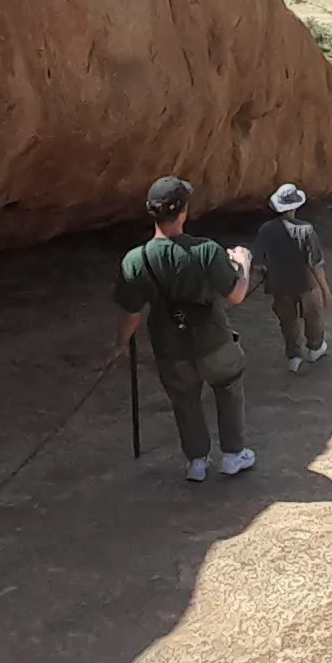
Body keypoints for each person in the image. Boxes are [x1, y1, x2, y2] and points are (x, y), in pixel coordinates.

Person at [116, 176, 256, 482]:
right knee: (228, 388)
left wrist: (122, 343)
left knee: (185, 401)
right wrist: (243, 264)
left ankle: (196, 461)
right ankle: (233, 455)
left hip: (170, 348)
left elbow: (133, 313)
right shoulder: (207, 250)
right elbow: (236, 295)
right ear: (183, 211)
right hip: (214, 341)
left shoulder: (135, 260)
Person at [254, 183, 332, 373]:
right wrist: (326, 291)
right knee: (313, 317)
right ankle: (314, 348)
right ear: (295, 206)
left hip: (279, 284)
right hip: (307, 284)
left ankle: (294, 356)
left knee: (288, 321)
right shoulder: (306, 229)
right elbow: (316, 264)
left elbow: (258, 264)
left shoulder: (265, 230)